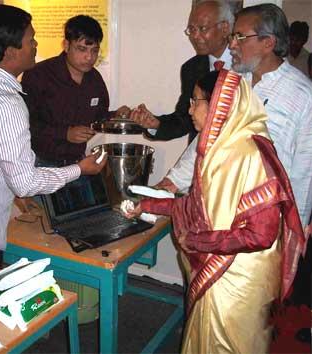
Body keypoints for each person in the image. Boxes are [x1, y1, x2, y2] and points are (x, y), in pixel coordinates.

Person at [124, 69, 305, 353]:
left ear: (220, 103)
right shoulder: (219, 149)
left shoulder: (250, 155)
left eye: (196, 101)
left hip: (239, 279)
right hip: (221, 269)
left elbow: (261, 234)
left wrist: (197, 241)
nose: (190, 108)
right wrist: (147, 205)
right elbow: (197, 207)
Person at [0, 5, 106, 266]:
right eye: (31, 40)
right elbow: (25, 182)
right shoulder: (6, 102)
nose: (36, 45)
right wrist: (80, 169)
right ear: (10, 52)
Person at [156, 4, 312, 232]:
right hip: (220, 212)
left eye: (239, 37)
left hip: (266, 223)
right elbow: (208, 138)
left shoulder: (302, 95)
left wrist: (294, 228)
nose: (232, 45)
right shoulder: (234, 84)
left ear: (268, 42)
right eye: (232, 37)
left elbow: (305, 173)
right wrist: (172, 182)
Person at [21, 15, 130, 167]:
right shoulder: (39, 75)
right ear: (66, 45)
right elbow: (25, 123)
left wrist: (116, 115)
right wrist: (65, 133)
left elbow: (98, 117)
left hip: (78, 162)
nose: (89, 57)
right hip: (40, 163)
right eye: (82, 49)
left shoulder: (94, 79)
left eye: (94, 50)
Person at [129, 0, 234, 142]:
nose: (195, 36)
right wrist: (156, 124)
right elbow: (184, 119)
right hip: (202, 157)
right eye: (192, 30)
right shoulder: (191, 68)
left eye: (202, 28)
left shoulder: (246, 63)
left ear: (225, 28)